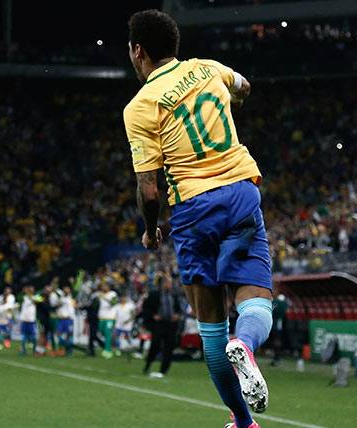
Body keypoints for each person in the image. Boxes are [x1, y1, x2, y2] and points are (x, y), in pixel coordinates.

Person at [124, 10, 272, 427]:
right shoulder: (208, 68)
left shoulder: (140, 106)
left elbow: (149, 190)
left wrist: (151, 230)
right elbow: (244, 85)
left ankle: (243, 421)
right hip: (240, 191)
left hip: (193, 208)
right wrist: (235, 97)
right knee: (256, 299)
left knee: (211, 328)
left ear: (138, 51)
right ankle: (247, 344)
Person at [142, 275, 182, 377]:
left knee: (169, 348)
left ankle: (163, 370)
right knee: (155, 345)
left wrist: (177, 315)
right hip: (159, 324)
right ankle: (148, 364)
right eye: (168, 283)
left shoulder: (174, 295)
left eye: (170, 283)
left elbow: (178, 309)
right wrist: (153, 315)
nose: (169, 285)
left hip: (171, 325)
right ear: (162, 284)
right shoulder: (154, 295)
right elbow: (146, 308)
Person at [97, 279, 119, 359]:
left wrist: (105, 298)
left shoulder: (113, 293)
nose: (103, 287)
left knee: (107, 333)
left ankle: (107, 351)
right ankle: (114, 345)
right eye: (102, 286)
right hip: (101, 317)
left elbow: (114, 303)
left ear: (108, 287)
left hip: (110, 317)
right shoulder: (100, 294)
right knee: (101, 332)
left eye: (104, 286)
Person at [56, 285, 76, 356]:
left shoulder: (71, 298)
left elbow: (73, 307)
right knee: (58, 334)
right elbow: (57, 306)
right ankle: (62, 349)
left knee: (69, 335)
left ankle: (69, 351)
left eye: (67, 289)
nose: (66, 290)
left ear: (69, 290)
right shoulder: (61, 298)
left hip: (69, 319)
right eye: (64, 289)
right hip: (61, 319)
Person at [19, 286, 39, 356]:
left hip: (31, 321)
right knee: (23, 337)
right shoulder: (24, 297)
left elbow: (40, 300)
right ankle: (23, 350)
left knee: (33, 337)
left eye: (31, 290)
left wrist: (32, 297)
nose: (30, 291)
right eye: (29, 290)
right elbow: (19, 299)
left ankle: (34, 350)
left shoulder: (35, 297)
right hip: (24, 320)